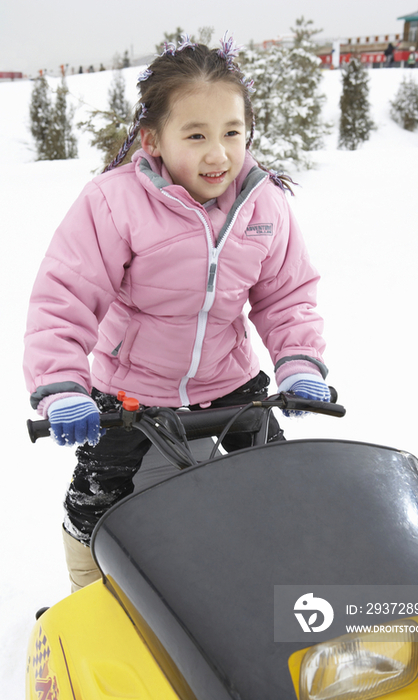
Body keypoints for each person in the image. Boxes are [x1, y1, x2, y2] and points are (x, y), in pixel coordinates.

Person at [23, 35, 330, 592]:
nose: (219, 154)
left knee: (281, 480)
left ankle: (285, 588)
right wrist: (63, 386)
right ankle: (88, 602)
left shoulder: (263, 203)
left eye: (232, 133)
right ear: (154, 140)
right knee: (98, 495)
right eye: (196, 135)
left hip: (229, 379)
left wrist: (299, 363)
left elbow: (288, 293)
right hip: (129, 389)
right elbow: (64, 297)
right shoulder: (115, 202)